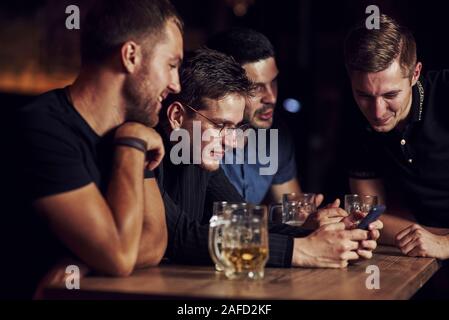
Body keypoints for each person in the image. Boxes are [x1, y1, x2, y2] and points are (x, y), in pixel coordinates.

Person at [5, 0, 183, 298]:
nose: (176, 84)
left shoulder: (132, 131)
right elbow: (118, 256)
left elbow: (155, 240)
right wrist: (131, 143)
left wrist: (85, 262)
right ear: (130, 56)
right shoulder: (42, 127)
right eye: (172, 65)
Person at [156, 48, 382, 270]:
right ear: (177, 116)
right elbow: (179, 237)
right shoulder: (148, 154)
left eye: (234, 128)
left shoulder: (199, 156)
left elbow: (246, 222)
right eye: (220, 126)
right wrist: (301, 250)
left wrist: (330, 239)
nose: (230, 141)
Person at [344, 14, 449, 260]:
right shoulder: (356, 115)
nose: (377, 112)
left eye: (390, 95)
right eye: (365, 96)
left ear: (415, 74)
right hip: (424, 255)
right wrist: (430, 236)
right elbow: (367, 218)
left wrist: (445, 243)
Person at [206, 28, 304, 205]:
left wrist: (314, 221)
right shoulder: (200, 140)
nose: (272, 98)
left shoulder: (277, 135)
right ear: (221, 87)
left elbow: (292, 210)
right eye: (256, 88)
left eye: (273, 82)